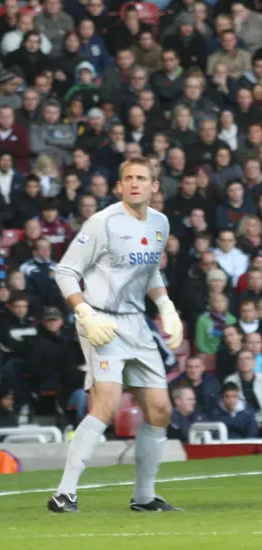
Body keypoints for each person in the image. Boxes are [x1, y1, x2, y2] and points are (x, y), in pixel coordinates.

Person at [50, 157, 184, 513]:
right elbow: (64, 271)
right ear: (119, 186)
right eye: (128, 178)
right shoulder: (103, 222)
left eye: (142, 178)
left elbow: (150, 271)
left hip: (137, 322)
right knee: (105, 405)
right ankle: (65, 493)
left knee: (160, 410)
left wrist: (166, 306)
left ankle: (144, 497)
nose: (135, 183)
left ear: (155, 186)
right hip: (102, 321)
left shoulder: (160, 223)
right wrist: (84, 313)